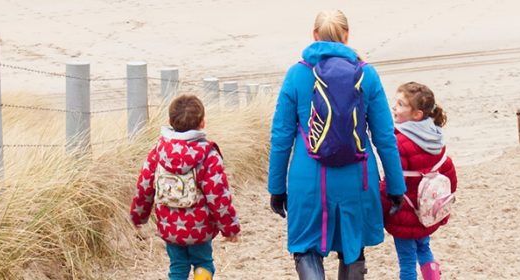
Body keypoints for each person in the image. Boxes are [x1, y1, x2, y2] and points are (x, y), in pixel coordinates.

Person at [268, 10, 406, 280]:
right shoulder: (367, 74)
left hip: (307, 180)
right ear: (347, 36)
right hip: (356, 178)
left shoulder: (297, 74)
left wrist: (276, 187)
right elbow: (385, 137)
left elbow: (281, 137)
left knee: (306, 249)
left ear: (314, 36)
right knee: (353, 250)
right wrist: (395, 185)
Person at [130, 94, 240, 280]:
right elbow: (218, 196)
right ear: (203, 123)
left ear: (169, 121)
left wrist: (139, 216)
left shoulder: (159, 150)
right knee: (203, 263)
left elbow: (145, 187)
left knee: (178, 267)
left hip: (170, 227)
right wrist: (229, 228)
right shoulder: (208, 155)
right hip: (200, 228)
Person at [380, 82, 458, 280]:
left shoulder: (398, 142)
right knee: (424, 249)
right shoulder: (435, 135)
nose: (394, 107)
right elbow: (448, 171)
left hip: (405, 212)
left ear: (417, 114)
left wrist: (380, 207)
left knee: (406, 262)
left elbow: (392, 180)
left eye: (400, 104)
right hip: (427, 211)